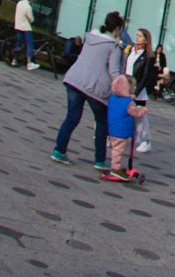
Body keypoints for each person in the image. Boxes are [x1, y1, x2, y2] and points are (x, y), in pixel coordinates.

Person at [53, 11, 126, 168]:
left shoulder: (90, 37)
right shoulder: (113, 47)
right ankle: (100, 160)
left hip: (75, 79)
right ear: (118, 28)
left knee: (72, 117)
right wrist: (123, 90)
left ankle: (59, 150)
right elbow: (114, 72)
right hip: (96, 87)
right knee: (102, 122)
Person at [102, 73, 147, 183]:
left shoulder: (113, 97)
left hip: (112, 128)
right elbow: (135, 112)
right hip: (121, 131)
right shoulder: (128, 103)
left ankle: (115, 166)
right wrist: (144, 110)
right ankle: (115, 168)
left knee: (115, 148)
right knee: (118, 150)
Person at [129, 29, 160, 153]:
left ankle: (145, 140)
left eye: (140, 36)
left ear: (146, 40)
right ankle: (111, 136)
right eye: (136, 35)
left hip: (137, 89)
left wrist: (136, 92)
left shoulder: (148, 56)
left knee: (140, 117)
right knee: (120, 112)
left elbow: (145, 76)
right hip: (125, 85)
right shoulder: (130, 50)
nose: (137, 38)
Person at [14, 0, 39, 70]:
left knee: (19, 42)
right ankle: (29, 63)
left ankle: (14, 59)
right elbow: (31, 19)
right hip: (26, 27)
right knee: (29, 44)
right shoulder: (28, 7)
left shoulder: (19, 3)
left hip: (18, 25)